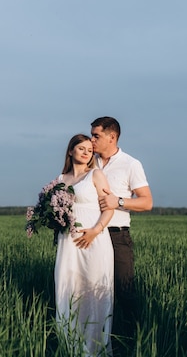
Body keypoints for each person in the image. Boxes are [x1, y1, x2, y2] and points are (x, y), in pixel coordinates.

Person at [74, 116, 153, 356]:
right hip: (90, 237)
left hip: (117, 237)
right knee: (89, 291)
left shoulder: (130, 164)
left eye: (96, 136)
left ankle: (127, 346)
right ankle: (90, 343)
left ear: (112, 136)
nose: (92, 140)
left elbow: (147, 202)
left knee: (123, 292)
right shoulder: (89, 161)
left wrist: (117, 201)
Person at [54, 134, 116, 356]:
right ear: (70, 151)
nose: (86, 152)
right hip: (68, 242)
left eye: (90, 149)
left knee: (94, 290)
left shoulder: (96, 175)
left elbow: (109, 207)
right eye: (81, 148)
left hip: (94, 240)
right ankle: (71, 346)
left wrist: (95, 232)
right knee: (70, 288)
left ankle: (96, 348)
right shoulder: (61, 179)